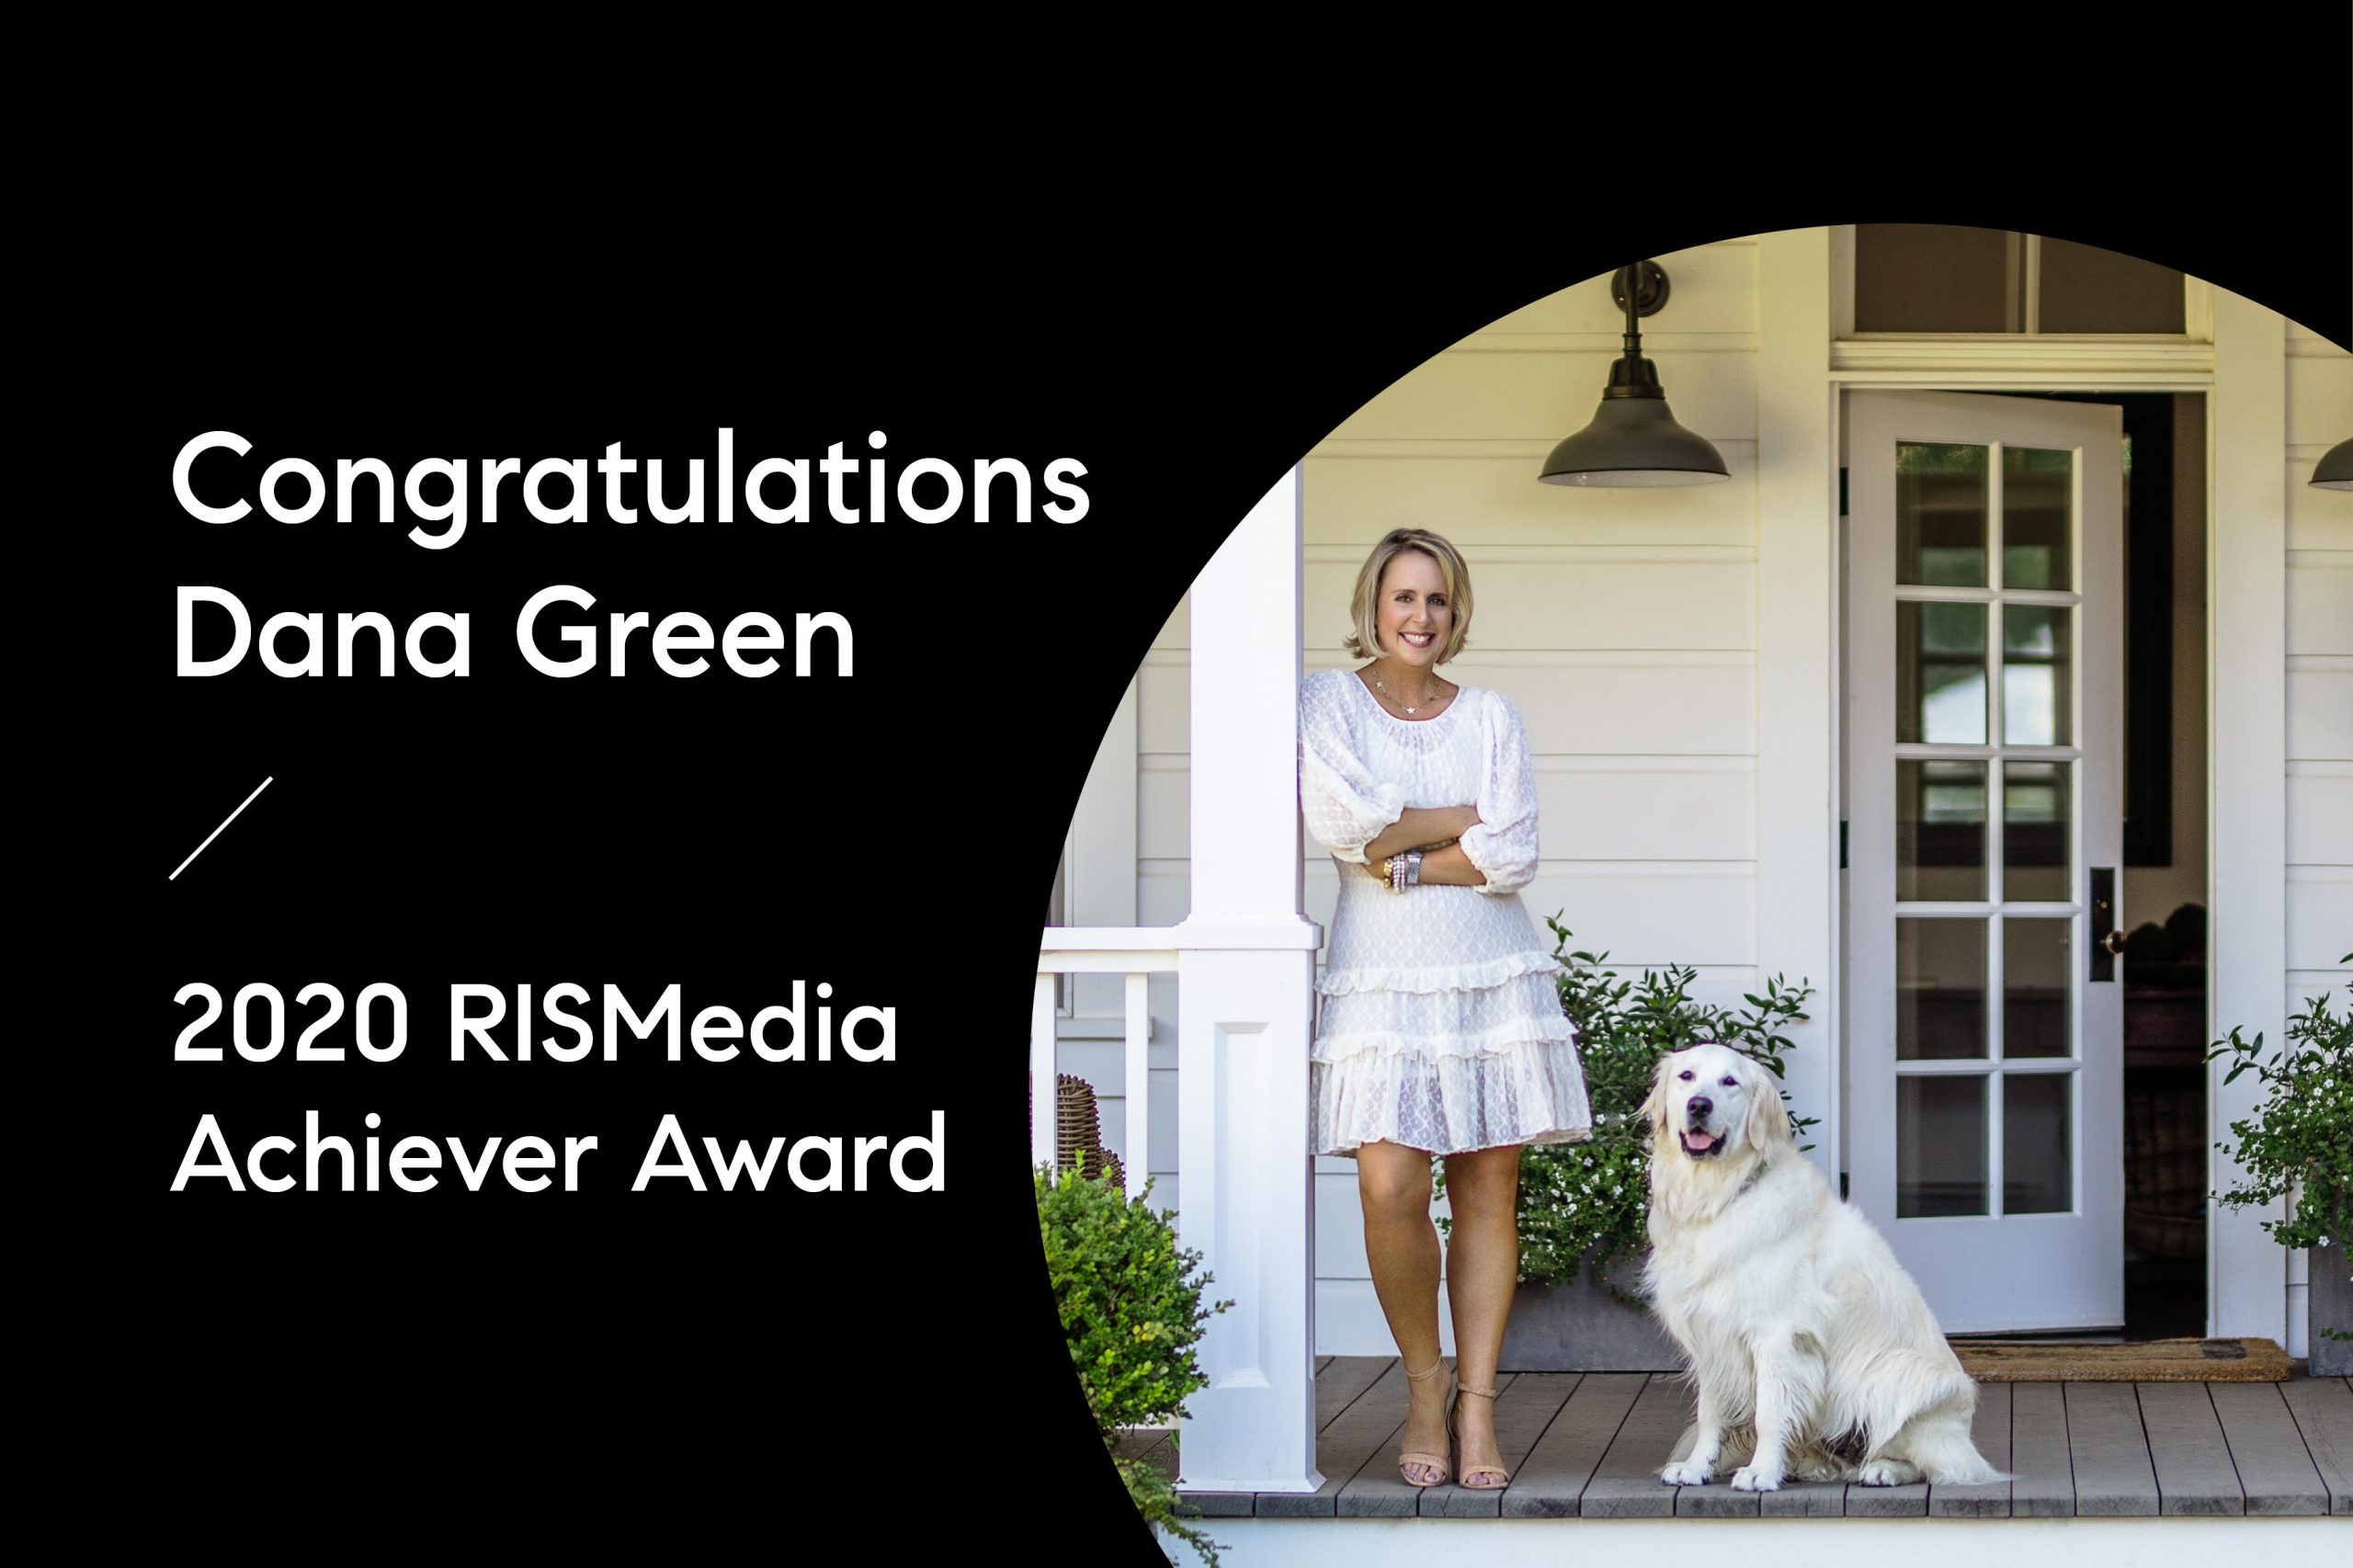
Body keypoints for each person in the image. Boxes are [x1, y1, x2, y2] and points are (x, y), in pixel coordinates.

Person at [1299, 527, 1592, 1491]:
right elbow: (1347, 826)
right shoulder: (1327, 701)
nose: (1419, 616)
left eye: (1436, 599)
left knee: (1484, 1186)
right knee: (1388, 1180)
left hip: (1488, 968)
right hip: (1380, 976)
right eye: (1402, 598)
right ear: (1372, 607)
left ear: (1455, 612)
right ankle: (1423, 1383)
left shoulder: (1491, 715)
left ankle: (1475, 1405)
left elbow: (1513, 855)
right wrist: (1461, 815)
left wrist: (1410, 853)